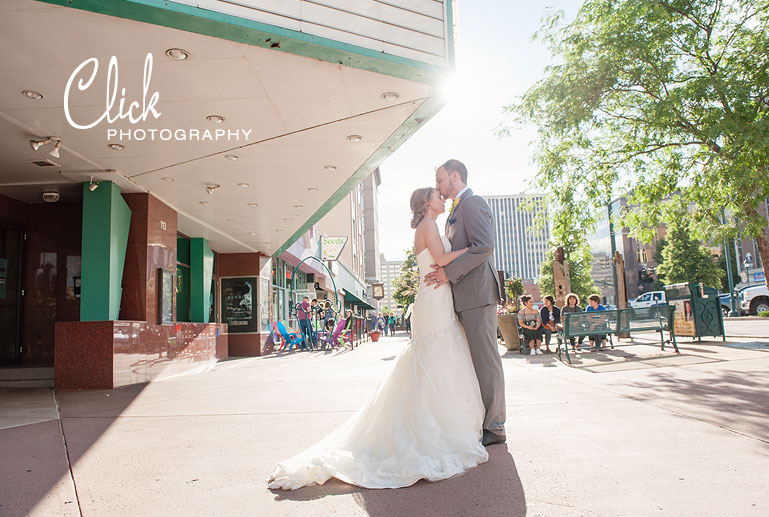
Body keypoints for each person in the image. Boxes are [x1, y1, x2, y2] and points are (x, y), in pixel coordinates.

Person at [267, 184, 488, 490]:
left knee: (437, 360)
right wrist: (474, 248)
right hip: (434, 300)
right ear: (426, 204)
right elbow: (441, 258)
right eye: (437, 195)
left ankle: (439, 421)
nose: (442, 197)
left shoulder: (431, 225)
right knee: (435, 358)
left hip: (437, 297)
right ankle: (434, 426)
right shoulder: (428, 225)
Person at [424, 159, 506, 446]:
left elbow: (483, 246)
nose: (438, 186)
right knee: (473, 362)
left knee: (485, 360)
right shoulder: (455, 211)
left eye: (440, 179)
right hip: (464, 297)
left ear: (454, 176)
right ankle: (483, 420)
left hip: (478, 295)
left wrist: (448, 273)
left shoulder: (473, 203)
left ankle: (495, 426)